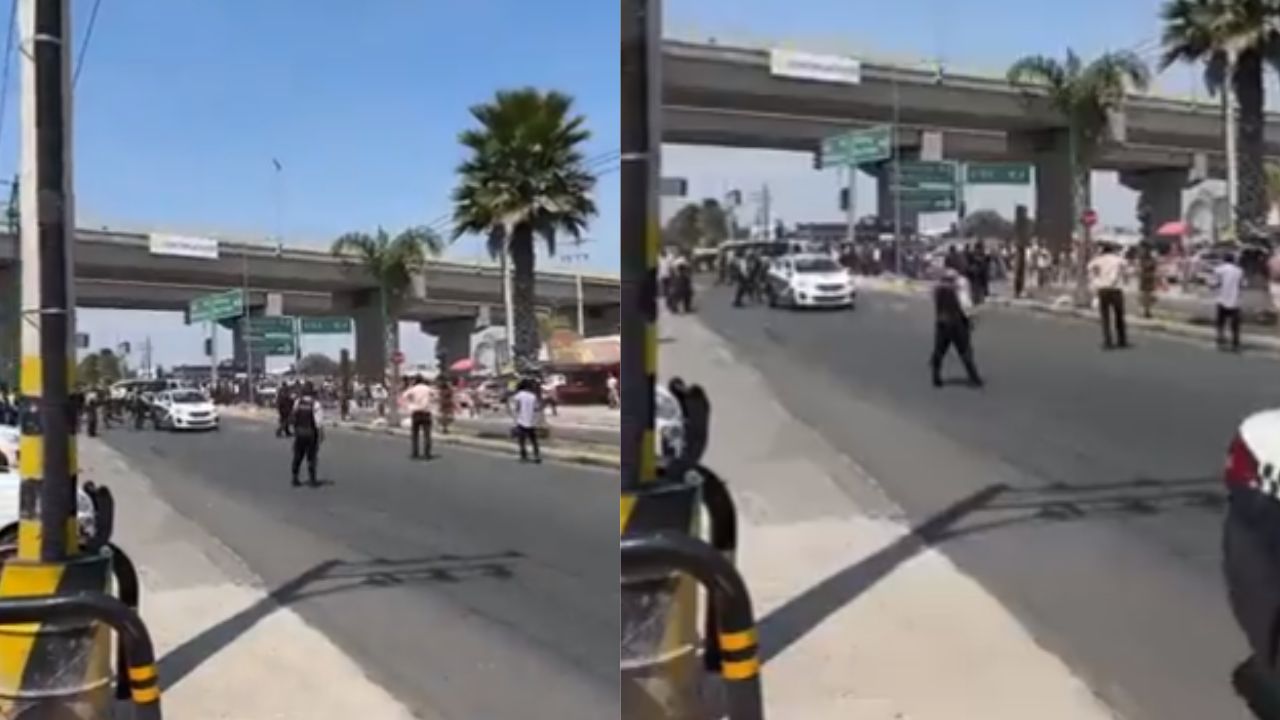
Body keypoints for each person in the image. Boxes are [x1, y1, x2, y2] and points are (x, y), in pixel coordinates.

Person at [930, 269, 983, 388]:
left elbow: (935, 302)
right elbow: (966, 305)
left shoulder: (937, 288)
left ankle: (936, 377)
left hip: (942, 323)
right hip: (957, 323)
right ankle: (974, 378)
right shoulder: (958, 288)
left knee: (939, 350)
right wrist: (972, 318)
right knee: (965, 351)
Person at [1088, 245, 1129, 349]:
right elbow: (1126, 265)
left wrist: (1096, 278)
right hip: (1116, 289)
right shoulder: (1117, 259)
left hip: (1103, 288)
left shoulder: (1099, 259)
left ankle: (1108, 340)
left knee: (1105, 317)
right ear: (1112, 250)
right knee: (1119, 315)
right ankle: (1122, 339)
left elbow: (1089, 266)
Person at [289, 382, 323, 487]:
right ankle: (312, 480)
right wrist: (321, 436)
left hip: (299, 433)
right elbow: (319, 423)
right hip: (311, 434)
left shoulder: (298, 402)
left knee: (297, 456)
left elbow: (293, 417)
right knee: (311, 457)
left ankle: (295, 478)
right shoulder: (316, 404)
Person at [1212, 252, 1245, 352]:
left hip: (1222, 299)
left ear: (1224, 259)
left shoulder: (1218, 270)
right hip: (1234, 300)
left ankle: (1220, 339)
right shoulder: (1239, 271)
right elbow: (1242, 284)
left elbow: (1214, 283)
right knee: (1235, 324)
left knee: (1220, 322)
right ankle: (1235, 343)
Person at [401, 375, 435, 460]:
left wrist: (408, 406)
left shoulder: (413, 389)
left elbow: (404, 396)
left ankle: (415, 452)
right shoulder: (428, 388)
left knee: (415, 434)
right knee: (427, 434)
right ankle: (427, 453)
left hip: (416, 412)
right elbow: (435, 395)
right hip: (426, 412)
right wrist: (430, 402)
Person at [509, 379, 542, 463]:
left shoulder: (518, 396)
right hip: (531, 421)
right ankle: (537, 456)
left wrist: (514, 420)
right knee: (534, 440)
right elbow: (536, 408)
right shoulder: (533, 396)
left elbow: (516, 408)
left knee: (522, 441)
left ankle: (524, 456)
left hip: (521, 421)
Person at [1138, 244, 1159, 319]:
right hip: (1146, 277)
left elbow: (1152, 266)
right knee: (1147, 295)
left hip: (1148, 277)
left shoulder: (1146, 258)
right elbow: (1147, 266)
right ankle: (1146, 311)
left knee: (1148, 295)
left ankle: (1147, 310)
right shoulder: (1145, 258)